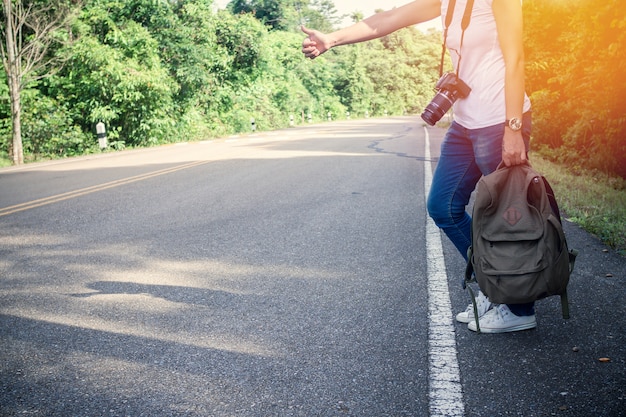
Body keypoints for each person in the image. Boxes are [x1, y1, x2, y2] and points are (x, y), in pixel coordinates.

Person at [301, 0, 535, 333]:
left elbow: (516, 58)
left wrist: (513, 128)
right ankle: (498, 287)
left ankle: (519, 308)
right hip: (466, 122)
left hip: (499, 120)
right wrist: (331, 39)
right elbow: (390, 18)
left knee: (507, 218)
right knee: (443, 206)